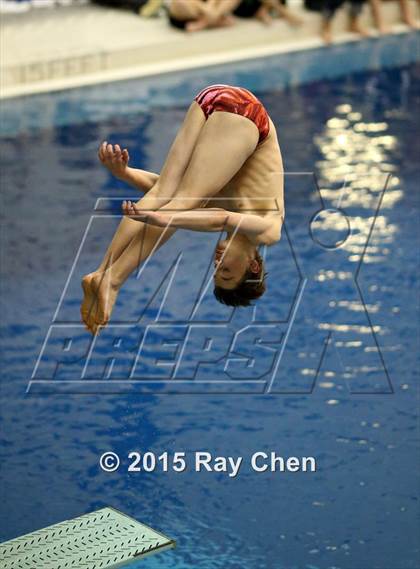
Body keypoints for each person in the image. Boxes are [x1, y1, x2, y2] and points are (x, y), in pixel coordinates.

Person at [81, 84, 284, 334]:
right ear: (253, 266)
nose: (218, 263)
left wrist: (125, 173)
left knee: (164, 193)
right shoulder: (270, 231)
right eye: (227, 271)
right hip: (245, 114)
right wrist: (164, 217)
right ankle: (112, 280)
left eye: (216, 271)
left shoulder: (238, 207)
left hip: (211, 98)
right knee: (180, 205)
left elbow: (168, 192)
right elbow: (219, 218)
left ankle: (101, 272)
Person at [167, 0, 239, 31]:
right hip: (192, 8)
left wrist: (211, 8)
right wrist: (204, 8)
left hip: (212, 10)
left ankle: (204, 23)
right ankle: (214, 21)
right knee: (180, 2)